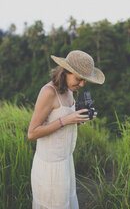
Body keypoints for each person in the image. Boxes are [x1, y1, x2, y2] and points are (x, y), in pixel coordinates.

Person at [28, 50, 105, 209]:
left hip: (66, 162)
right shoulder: (48, 92)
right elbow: (32, 132)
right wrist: (65, 120)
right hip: (50, 168)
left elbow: (62, 123)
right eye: (79, 79)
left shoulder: (70, 90)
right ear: (65, 72)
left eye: (84, 80)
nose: (82, 84)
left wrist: (79, 119)